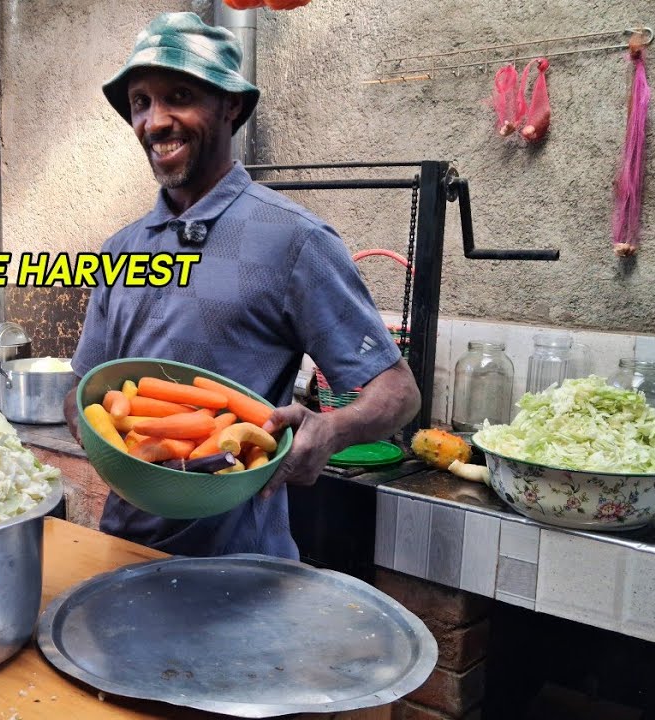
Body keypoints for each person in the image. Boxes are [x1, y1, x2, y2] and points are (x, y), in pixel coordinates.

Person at [64, 12, 421, 559]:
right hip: (125, 551)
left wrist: (332, 430)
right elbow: (84, 388)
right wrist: (90, 427)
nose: (155, 121)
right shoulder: (121, 249)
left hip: (242, 563)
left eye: (179, 95)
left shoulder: (293, 241)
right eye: (141, 102)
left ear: (229, 105)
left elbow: (398, 391)